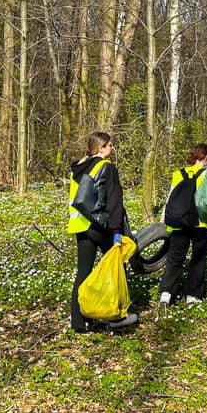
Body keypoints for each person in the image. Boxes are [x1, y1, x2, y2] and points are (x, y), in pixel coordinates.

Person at [67, 132, 138, 333]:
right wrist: (116, 231)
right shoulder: (107, 168)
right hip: (100, 226)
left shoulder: (78, 169)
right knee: (116, 268)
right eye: (109, 145)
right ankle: (115, 316)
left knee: (83, 273)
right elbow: (114, 202)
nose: (111, 148)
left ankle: (79, 323)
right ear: (100, 148)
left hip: (80, 226)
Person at [158, 143, 207, 310]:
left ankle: (167, 293)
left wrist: (164, 216)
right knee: (198, 258)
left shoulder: (178, 174)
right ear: (206, 158)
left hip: (178, 220)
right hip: (201, 221)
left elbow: (171, 197)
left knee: (175, 256)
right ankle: (192, 294)